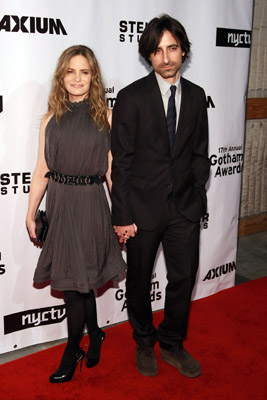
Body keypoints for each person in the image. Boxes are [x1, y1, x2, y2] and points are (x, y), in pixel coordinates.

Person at [111, 15, 210, 378]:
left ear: (183, 50)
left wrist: (197, 195)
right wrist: (121, 216)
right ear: (148, 56)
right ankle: (143, 340)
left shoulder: (198, 96)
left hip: (184, 207)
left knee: (183, 278)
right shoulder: (131, 97)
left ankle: (171, 342)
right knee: (138, 280)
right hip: (140, 210)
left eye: (172, 48)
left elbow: (200, 153)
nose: (165, 57)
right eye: (157, 51)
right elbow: (120, 163)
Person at [26, 45, 126, 383]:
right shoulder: (49, 119)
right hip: (59, 201)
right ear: (61, 76)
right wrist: (30, 213)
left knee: (82, 280)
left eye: (85, 72)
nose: (78, 78)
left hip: (90, 202)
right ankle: (88, 337)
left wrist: (122, 214)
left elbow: (112, 172)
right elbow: (41, 168)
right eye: (71, 71)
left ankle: (76, 345)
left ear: (93, 76)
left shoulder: (107, 117)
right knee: (74, 281)